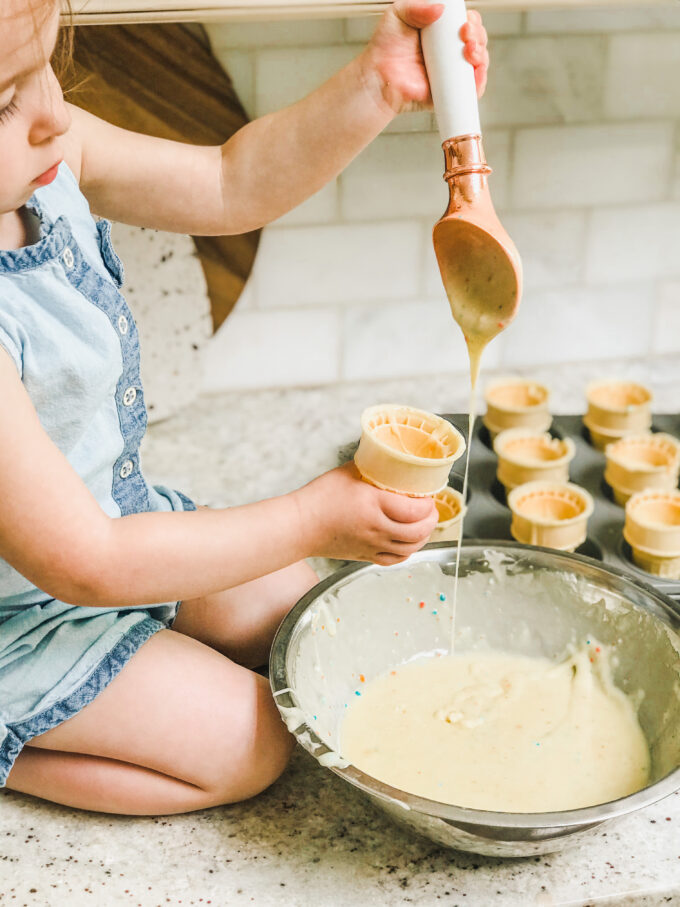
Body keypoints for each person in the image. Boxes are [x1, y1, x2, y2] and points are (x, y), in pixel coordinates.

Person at [0, 0, 489, 815]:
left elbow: (231, 182)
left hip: (111, 527)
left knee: (302, 612)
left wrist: (374, 84)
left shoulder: (44, 154)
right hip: (23, 613)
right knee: (252, 741)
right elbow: (86, 561)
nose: (55, 114)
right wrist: (309, 514)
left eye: (47, 64)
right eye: (5, 99)